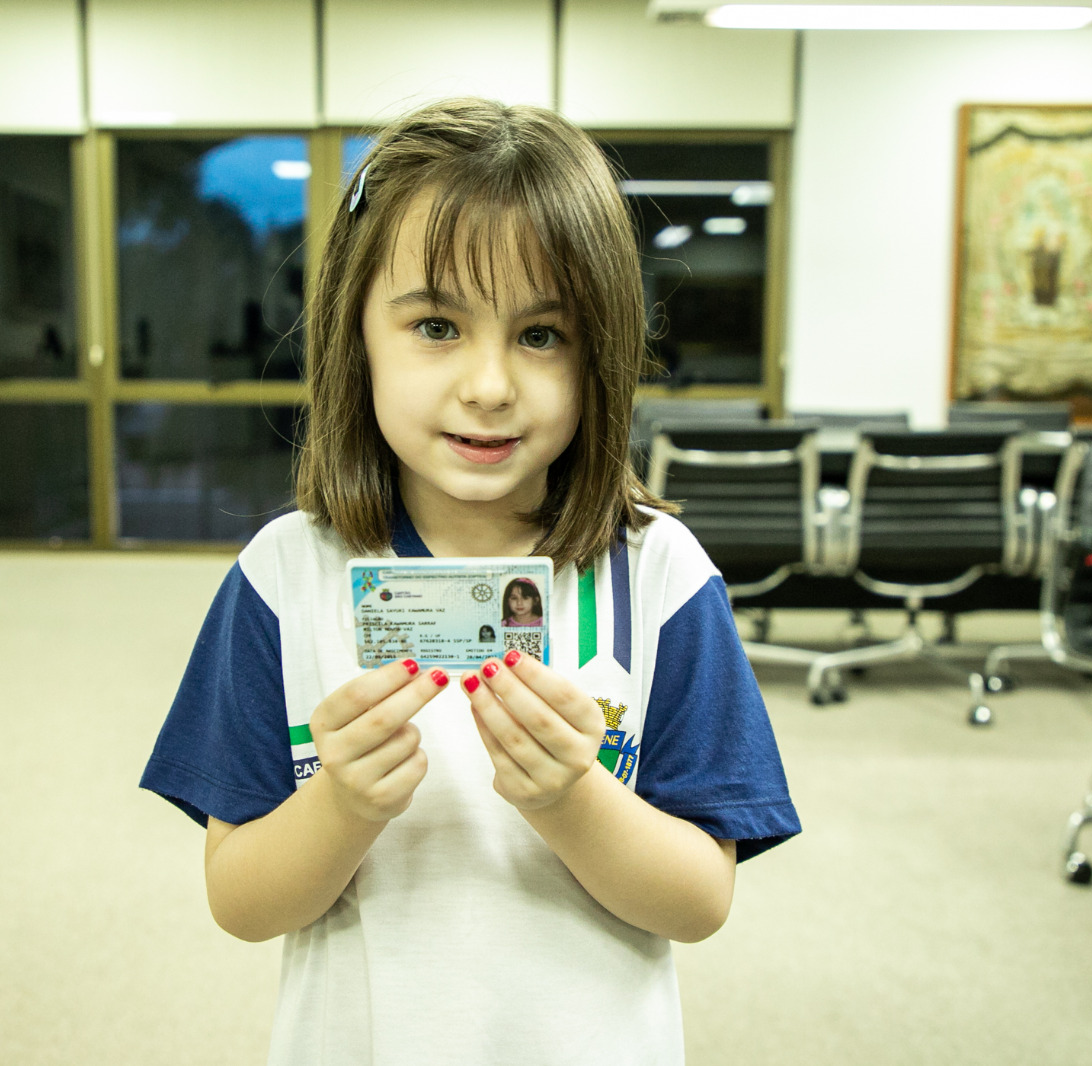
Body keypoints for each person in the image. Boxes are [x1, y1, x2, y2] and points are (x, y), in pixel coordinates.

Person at [140, 97, 799, 1066]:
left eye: (542, 335)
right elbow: (240, 902)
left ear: (601, 352)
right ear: (356, 335)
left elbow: (700, 901)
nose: (489, 385)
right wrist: (342, 805)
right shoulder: (283, 577)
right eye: (437, 325)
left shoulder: (662, 575)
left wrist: (572, 798)